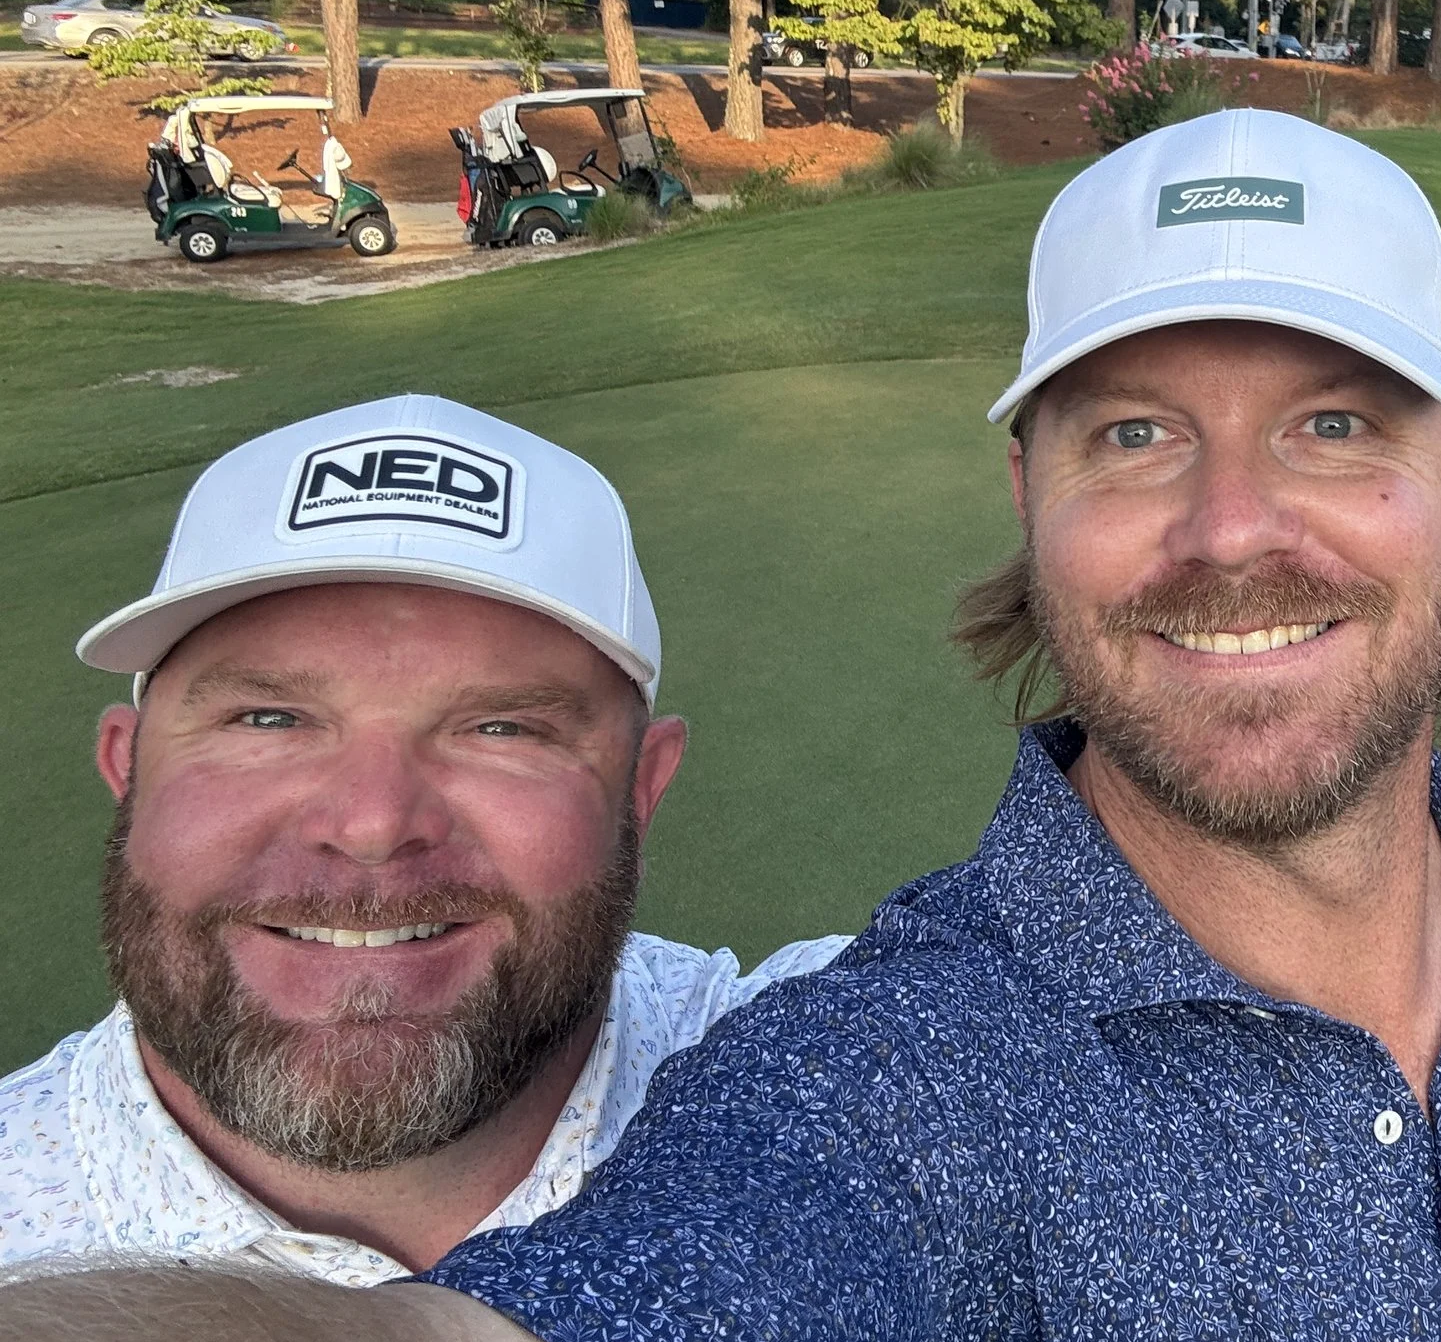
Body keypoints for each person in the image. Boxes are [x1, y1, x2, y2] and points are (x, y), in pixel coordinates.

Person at [0, 111, 1441, 1342]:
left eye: (1333, 423)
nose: (1230, 528)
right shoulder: (894, 1082)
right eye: (1133, 433)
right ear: (1031, 506)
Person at [0, 395, 850, 1282]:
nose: (372, 824)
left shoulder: (828, 1083)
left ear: (642, 787)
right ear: (128, 767)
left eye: (503, 729)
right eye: (269, 717)